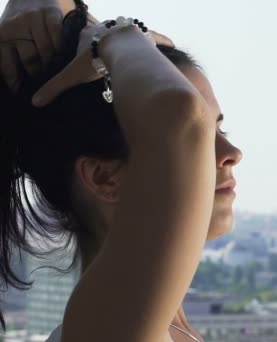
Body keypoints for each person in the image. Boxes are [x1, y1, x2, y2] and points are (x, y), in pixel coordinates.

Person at [0, 0, 242, 341]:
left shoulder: (149, 327)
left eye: (221, 131)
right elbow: (180, 117)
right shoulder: (108, 328)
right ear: (103, 177)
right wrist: (116, 34)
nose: (233, 154)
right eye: (205, 141)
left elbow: (181, 121)